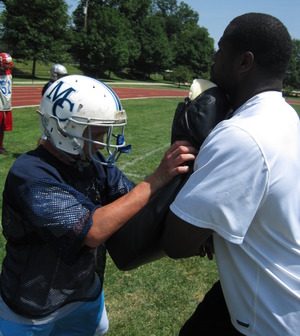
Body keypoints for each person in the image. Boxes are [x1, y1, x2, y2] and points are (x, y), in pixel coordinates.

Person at [0, 74, 196, 336]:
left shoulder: (91, 164)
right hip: (33, 306)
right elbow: (91, 232)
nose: (103, 142)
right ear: (63, 130)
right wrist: (157, 178)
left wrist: (194, 226)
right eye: (97, 133)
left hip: (84, 293)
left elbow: (133, 203)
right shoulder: (30, 173)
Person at [163, 13, 300, 336]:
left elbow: (177, 241)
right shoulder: (286, 116)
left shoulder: (241, 134)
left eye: (221, 48)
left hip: (269, 316)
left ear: (244, 62)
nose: (213, 56)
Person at [38, 63, 69, 146]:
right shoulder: (50, 86)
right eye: (61, 75)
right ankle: (39, 150)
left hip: (56, 112)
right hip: (51, 113)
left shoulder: (58, 85)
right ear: (55, 75)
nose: (63, 77)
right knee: (46, 134)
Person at [0, 53, 13, 155]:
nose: (8, 66)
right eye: (6, 64)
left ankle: (0, 147)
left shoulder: (8, 72)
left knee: (2, 127)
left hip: (5, 104)